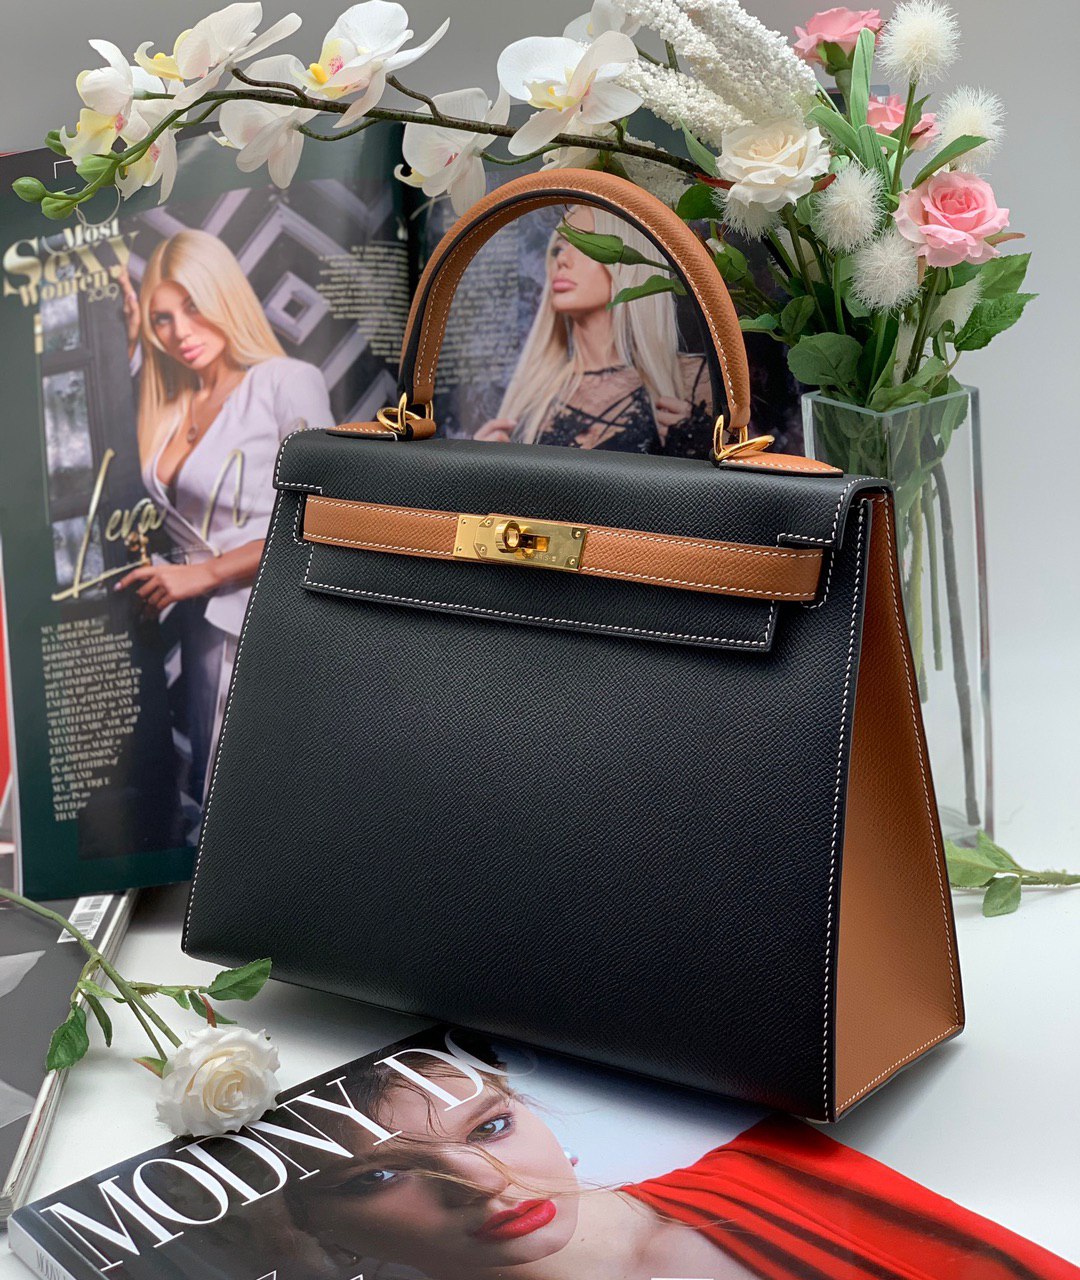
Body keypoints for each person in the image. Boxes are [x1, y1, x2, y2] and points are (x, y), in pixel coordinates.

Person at [283, 1038, 1071, 1280]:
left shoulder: (766, 1180)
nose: (484, 1185)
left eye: (489, 1128)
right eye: (377, 1175)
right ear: (316, 1227)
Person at [114, 229, 333, 804]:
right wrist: (128, 341)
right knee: (210, 795)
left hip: (269, 620)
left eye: (193, 306)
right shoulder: (173, 403)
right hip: (197, 631)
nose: (180, 332)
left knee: (254, 797)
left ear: (224, 294)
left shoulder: (287, 381)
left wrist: (203, 573)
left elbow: (321, 517)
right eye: (162, 319)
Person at [474, 206, 714, 456]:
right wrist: (480, 468)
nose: (562, 260)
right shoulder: (530, 400)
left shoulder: (691, 381)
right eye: (557, 249)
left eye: (585, 245)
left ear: (627, 264)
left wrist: (694, 445)